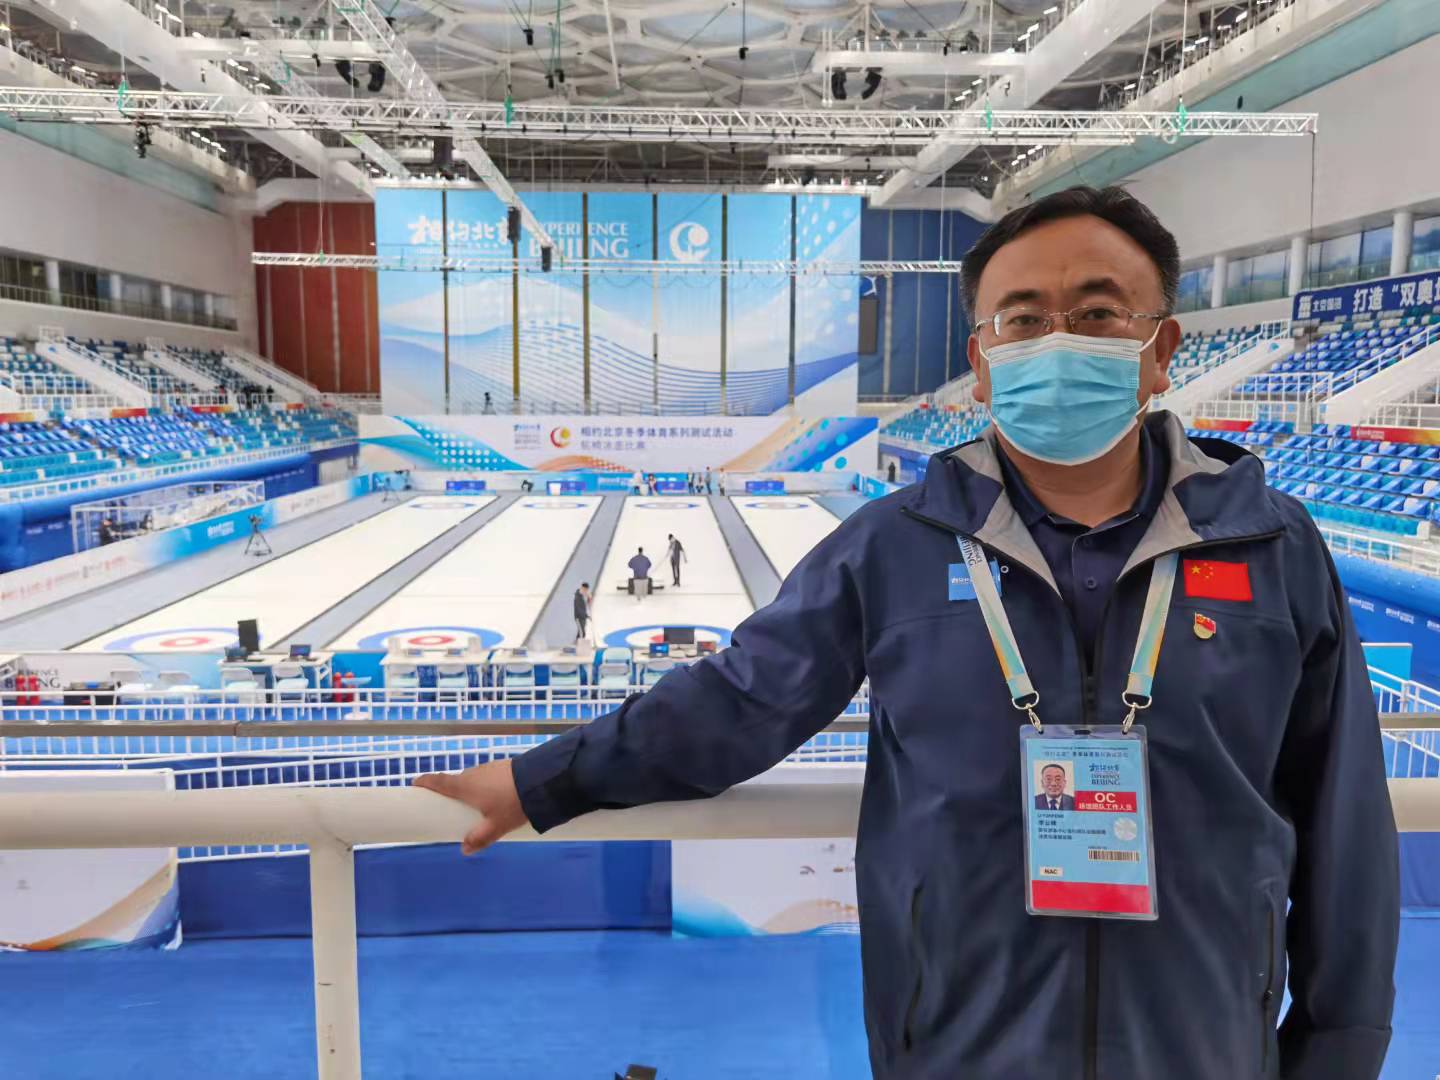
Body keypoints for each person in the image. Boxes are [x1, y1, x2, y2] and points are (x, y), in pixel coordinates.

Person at [415, 185, 1398, 1080]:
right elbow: (744, 699)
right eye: (1023, 319)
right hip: (962, 1042)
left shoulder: (1273, 546)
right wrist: (544, 780)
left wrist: (1340, 1052)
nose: (1058, 341)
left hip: (1203, 1046)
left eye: (1099, 314)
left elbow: (1344, 817)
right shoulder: (896, 544)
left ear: (1161, 347)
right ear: (981, 362)